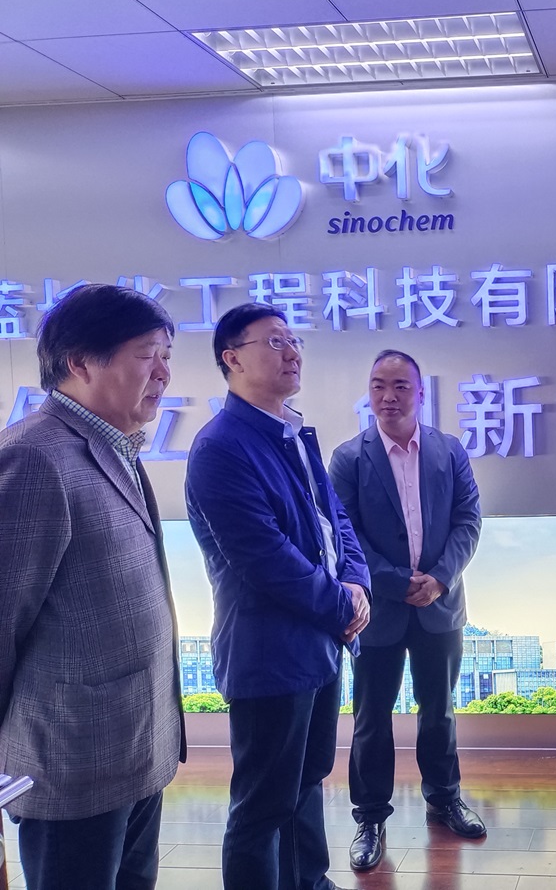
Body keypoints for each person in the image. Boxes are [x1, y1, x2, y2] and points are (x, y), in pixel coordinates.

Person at [0, 283, 186, 890]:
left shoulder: (113, 444)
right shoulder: (33, 457)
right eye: (147, 355)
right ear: (80, 361)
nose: (163, 373)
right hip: (72, 761)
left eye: (166, 356)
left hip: (137, 747)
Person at [185, 303, 370, 890]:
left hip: (319, 642)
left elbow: (334, 520)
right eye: (273, 342)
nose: (292, 352)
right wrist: (343, 607)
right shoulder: (220, 447)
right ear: (232, 358)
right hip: (268, 652)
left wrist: (358, 583)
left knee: (307, 780)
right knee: (262, 805)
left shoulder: (292, 433)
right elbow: (264, 558)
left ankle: (309, 882)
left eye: (294, 341)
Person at [329, 349, 484, 871]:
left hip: (441, 605)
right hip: (378, 609)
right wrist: (397, 583)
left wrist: (440, 578)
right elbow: (344, 535)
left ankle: (444, 800)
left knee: (438, 710)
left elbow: (468, 520)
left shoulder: (449, 450)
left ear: (420, 392)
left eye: (399, 386)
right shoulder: (349, 458)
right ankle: (370, 817)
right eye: (378, 385)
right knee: (371, 717)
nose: (388, 396)